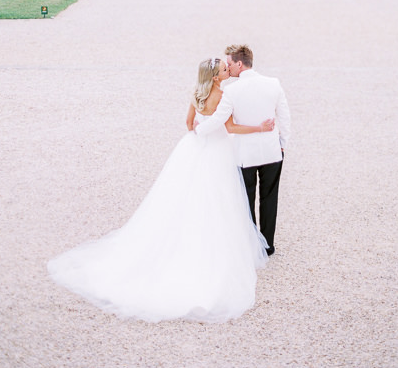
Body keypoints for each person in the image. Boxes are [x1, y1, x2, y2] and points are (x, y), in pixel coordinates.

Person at [48, 58, 274, 323]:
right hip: (218, 151)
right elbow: (231, 128)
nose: (228, 70)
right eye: (224, 69)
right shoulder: (225, 95)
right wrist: (259, 127)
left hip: (193, 149)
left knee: (185, 194)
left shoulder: (197, 94)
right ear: (215, 77)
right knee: (220, 199)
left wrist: (201, 130)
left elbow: (189, 124)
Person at [197, 44, 290, 256]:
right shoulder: (273, 84)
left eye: (229, 64)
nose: (228, 69)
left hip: (245, 155)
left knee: (246, 199)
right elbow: (284, 116)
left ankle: (251, 244)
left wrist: (199, 130)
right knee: (269, 198)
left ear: (239, 63)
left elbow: (220, 119)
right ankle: (267, 245)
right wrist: (283, 143)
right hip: (271, 152)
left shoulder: (231, 90)